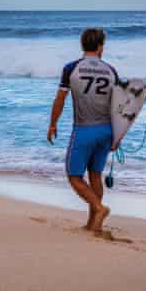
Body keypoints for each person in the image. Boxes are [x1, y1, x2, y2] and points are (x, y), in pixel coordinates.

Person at [47, 27, 120, 233]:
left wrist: (53, 124)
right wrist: (119, 135)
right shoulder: (111, 70)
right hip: (107, 131)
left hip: (84, 130)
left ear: (82, 45)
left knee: (74, 176)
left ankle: (99, 208)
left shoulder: (71, 68)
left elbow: (60, 99)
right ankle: (93, 224)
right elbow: (119, 106)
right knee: (95, 175)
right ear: (100, 47)